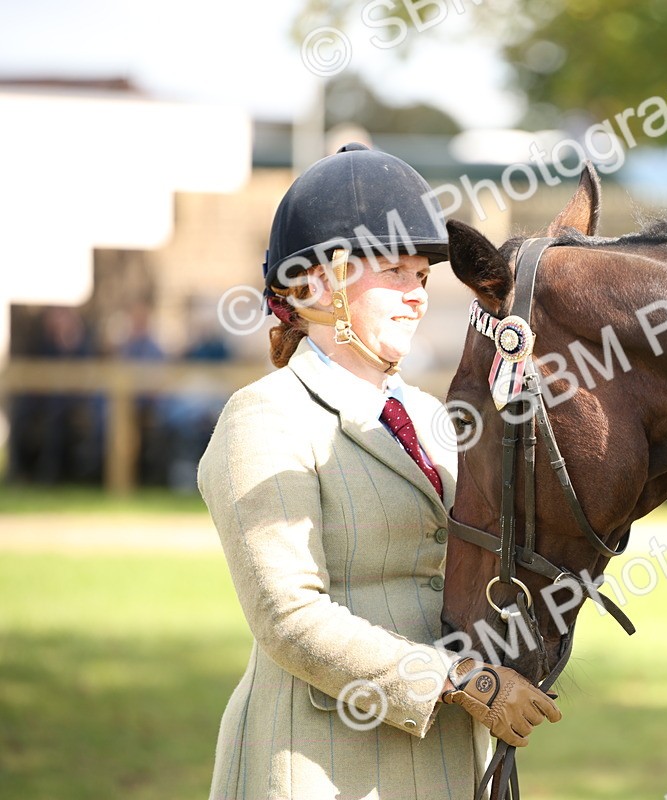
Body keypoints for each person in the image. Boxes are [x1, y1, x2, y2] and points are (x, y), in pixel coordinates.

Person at [197, 142, 560, 800]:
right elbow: (288, 618)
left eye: (421, 278)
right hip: (323, 762)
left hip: (449, 761)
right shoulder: (264, 418)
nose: (417, 297)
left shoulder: (432, 418)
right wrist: (462, 682)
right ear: (316, 284)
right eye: (394, 272)